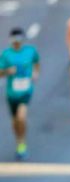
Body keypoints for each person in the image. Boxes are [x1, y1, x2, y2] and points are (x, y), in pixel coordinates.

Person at [0, 28, 40, 160]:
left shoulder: (30, 51)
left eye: (19, 39)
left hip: (25, 92)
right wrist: (7, 71)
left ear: (23, 39)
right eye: (14, 40)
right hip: (12, 94)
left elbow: (36, 62)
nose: (17, 42)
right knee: (15, 121)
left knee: (21, 117)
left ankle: (22, 143)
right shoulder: (6, 54)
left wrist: (35, 73)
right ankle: (19, 141)